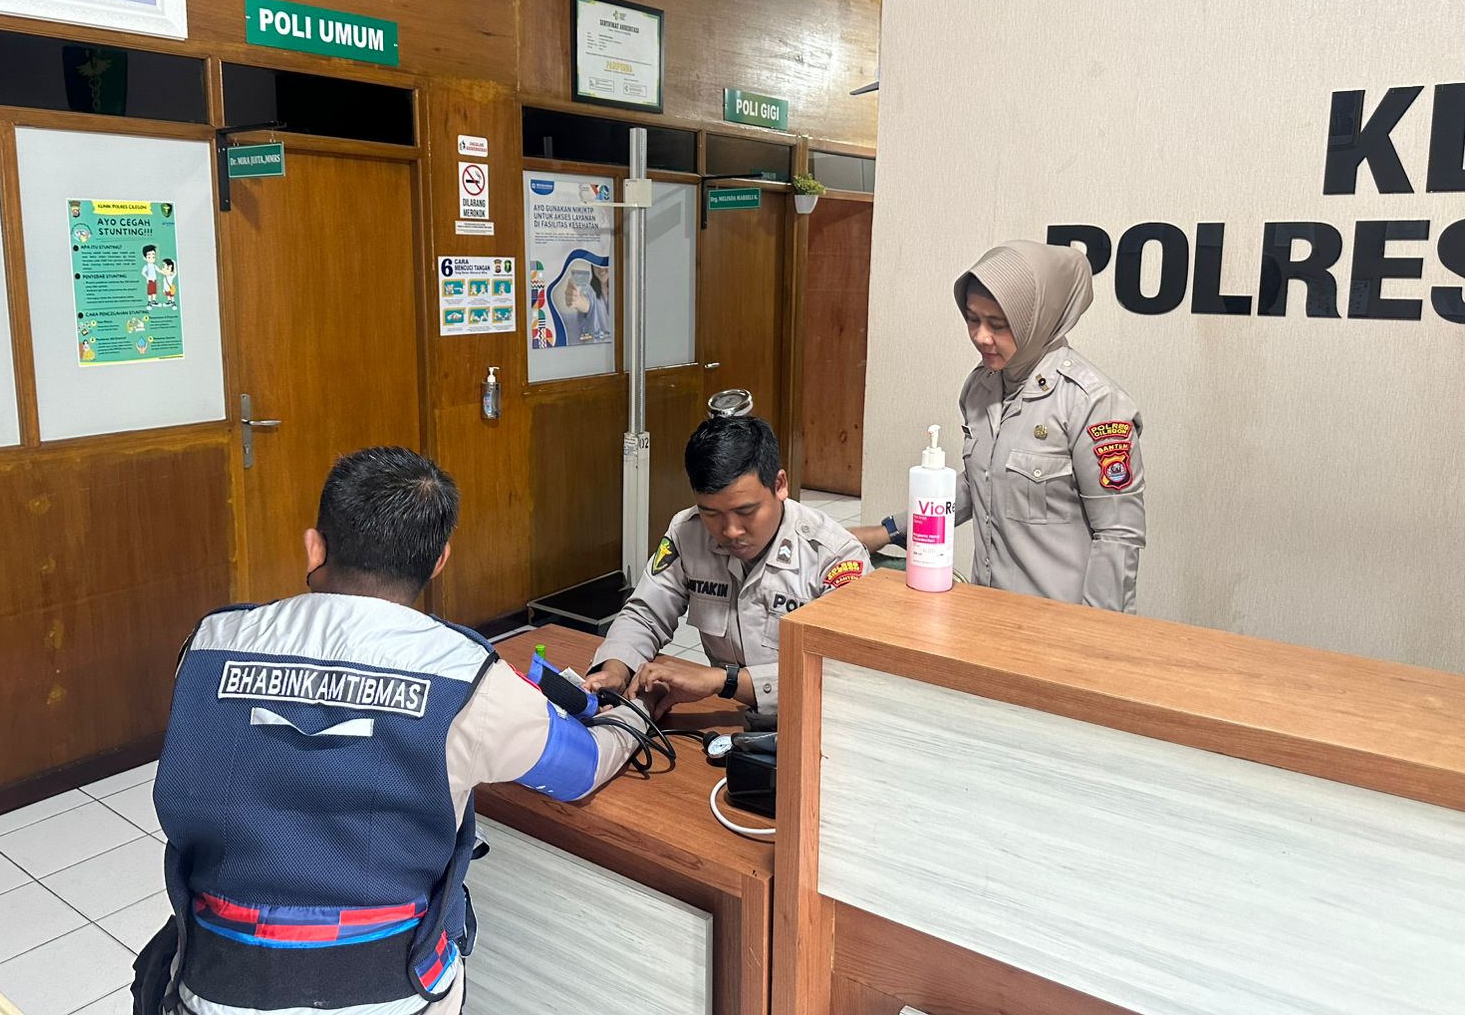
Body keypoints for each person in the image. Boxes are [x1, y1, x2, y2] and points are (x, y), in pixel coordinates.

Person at [137, 447, 647, 1015]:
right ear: (439, 561)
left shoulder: (209, 643)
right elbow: (580, 768)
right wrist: (634, 712)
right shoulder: (465, 676)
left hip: (212, 984)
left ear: (315, 547)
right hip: (388, 991)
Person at [853, 240, 1146, 612]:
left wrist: (1096, 633)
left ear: (1038, 319)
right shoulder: (982, 386)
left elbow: (1118, 535)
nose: (981, 336)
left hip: (1061, 621)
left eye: (998, 324)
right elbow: (981, 481)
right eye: (972, 319)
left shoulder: (1093, 404)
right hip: (989, 610)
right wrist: (888, 532)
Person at [585, 415, 872, 728]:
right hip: (734, 718)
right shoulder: (688, 533)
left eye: (746, 511)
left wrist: (723, 681)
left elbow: (842, 673)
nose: (731, 530)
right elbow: (646, 613)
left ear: (779, 485)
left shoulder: (834, 556)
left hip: (822, 723)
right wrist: (615, 668)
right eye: (711, 513)